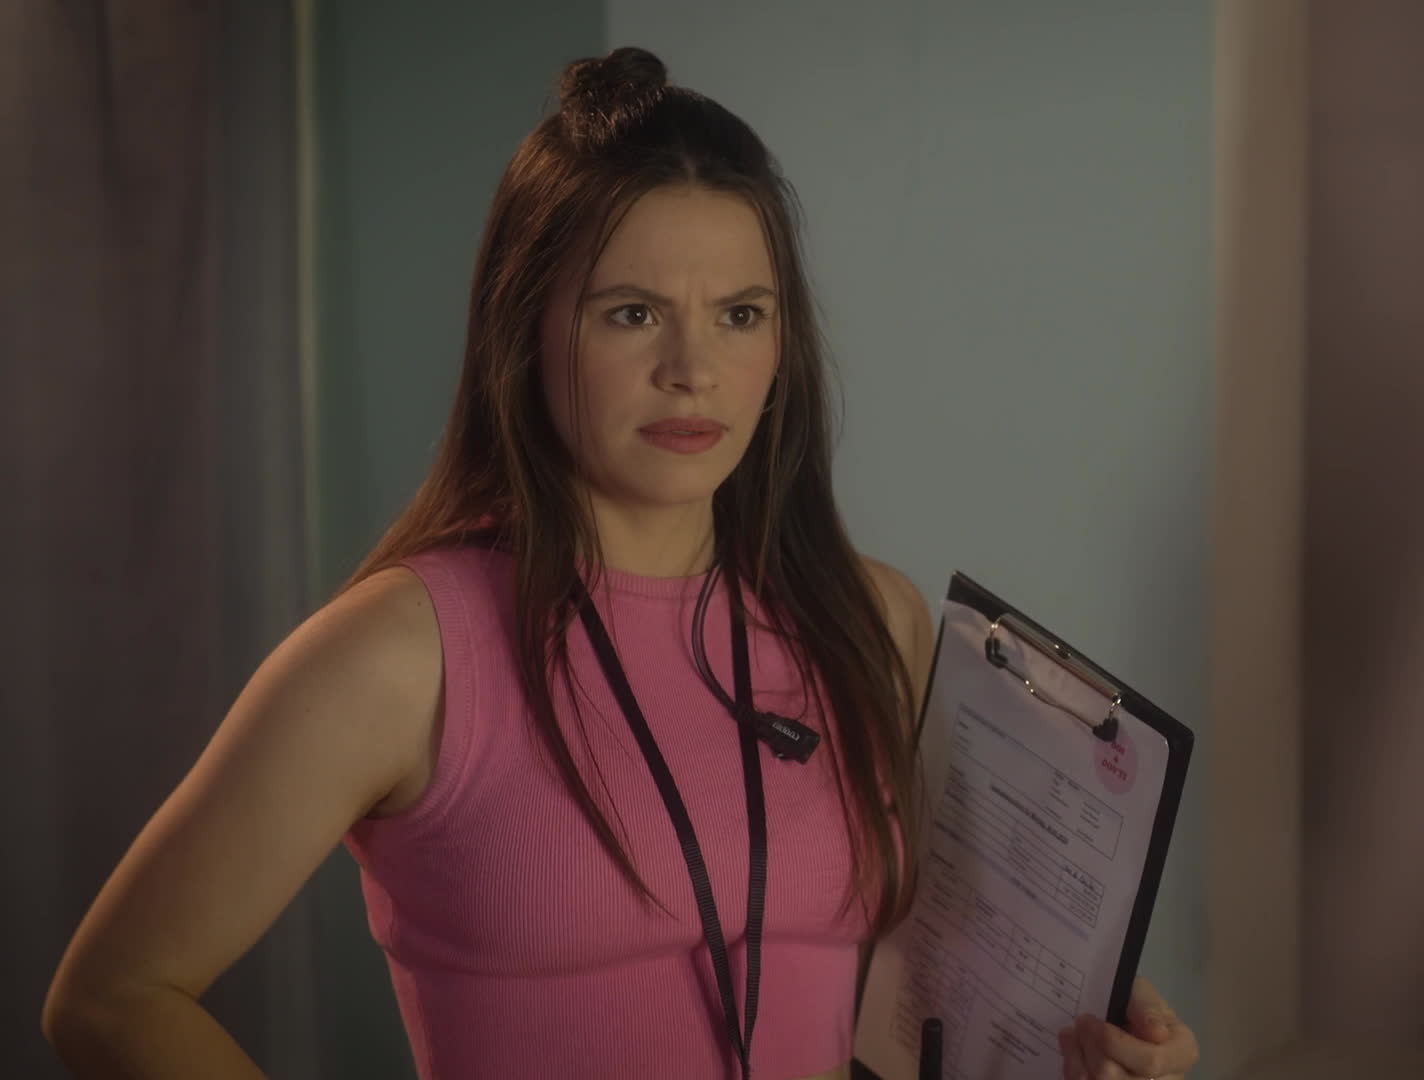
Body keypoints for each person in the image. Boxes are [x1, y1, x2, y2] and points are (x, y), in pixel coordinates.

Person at [40, 45, 1200, 1080]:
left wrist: (1076, 1037)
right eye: (632, 314)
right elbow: (111, 998)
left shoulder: (869, 617)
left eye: (741, 315)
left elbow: (922, 992)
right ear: (525, 330)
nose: (694, 369)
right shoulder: (401, 653)